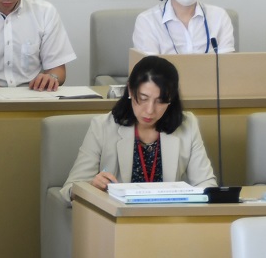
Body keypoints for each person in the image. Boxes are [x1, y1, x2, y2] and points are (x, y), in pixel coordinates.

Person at [60, 55, 216, 200]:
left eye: (160, 101)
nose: (150, 110)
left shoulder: (187, 125)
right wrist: (92, 186)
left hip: (170, 219)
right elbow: (70, 189)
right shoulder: (102, 127)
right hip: (119, 221)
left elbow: (206, 183)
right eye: (143, 98)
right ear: (130, 90)